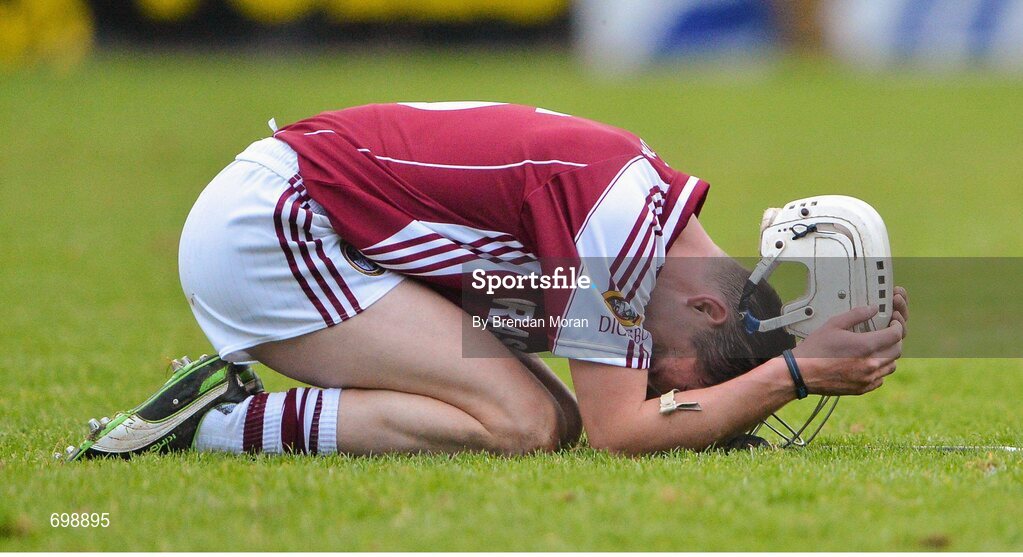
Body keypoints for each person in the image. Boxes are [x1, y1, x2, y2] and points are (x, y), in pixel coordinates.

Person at [66, 102, 908, 461]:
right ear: (703, 302)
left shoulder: (638, 211)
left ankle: (217, 413)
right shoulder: (614, 233)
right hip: (269, 231)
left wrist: (778, 359)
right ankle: (216, 422)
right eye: (667, 369)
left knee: (550, 410)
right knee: (523, 420)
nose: (649, 375)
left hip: (312, 216)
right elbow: (621, 433)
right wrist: (790, 373)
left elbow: (497, 308)